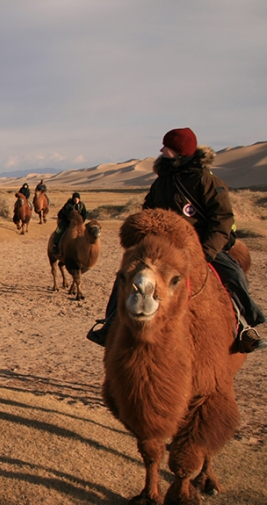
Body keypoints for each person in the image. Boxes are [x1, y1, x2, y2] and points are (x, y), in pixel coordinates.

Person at [86, 127, 266, 352]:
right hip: (163, 249)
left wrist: (206, 251)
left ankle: (245, 327)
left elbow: (222, 220)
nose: (162, 151)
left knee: (232, 274)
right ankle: (111, 323)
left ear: (181, 152)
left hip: (201, 245)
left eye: (168, 147)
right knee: (125, 276)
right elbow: (148, 212)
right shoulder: (161, 181)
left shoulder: (207, 182)